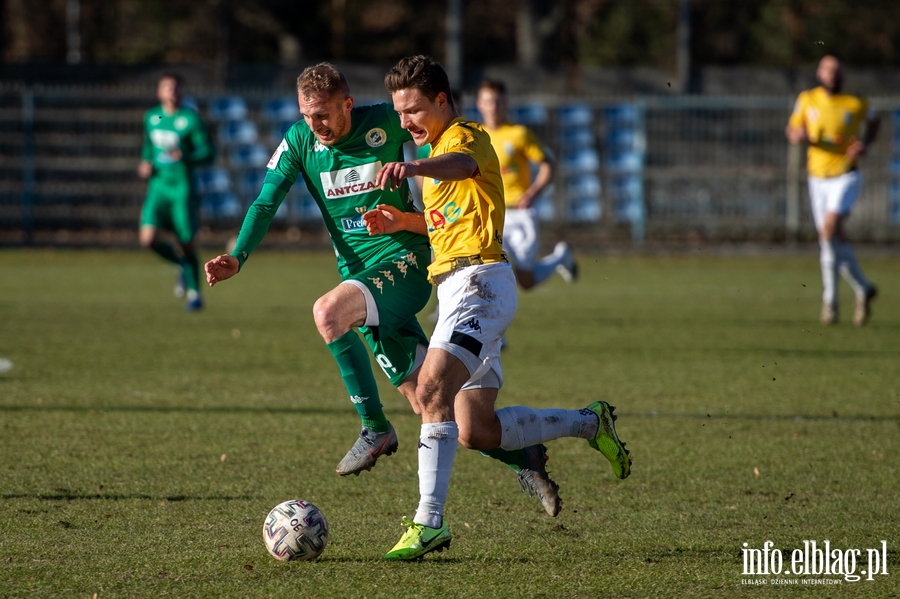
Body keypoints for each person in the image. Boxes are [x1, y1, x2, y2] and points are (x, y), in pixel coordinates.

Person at [203, 64, 558, 511]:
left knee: (328, 313)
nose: (316, 125)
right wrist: (239, 255)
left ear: (347, 104)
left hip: (403, 264)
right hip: (359, 280)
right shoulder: (299, 140)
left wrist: (443, 163)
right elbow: (265, 200)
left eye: (324, 115)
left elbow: (438, 129)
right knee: (433, 406)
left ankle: (374, 428)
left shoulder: (387, 123)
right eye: (308, 115)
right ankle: (522, 457)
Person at [366, 55, 632, 561]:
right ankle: (588, 423)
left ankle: (429, 524)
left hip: (480, 284)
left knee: (429, 388)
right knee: (474, 430)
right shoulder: (434, 152)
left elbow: (462, 166)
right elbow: (444, 223)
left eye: (415, 110)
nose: (406, 123)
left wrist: (414, 165)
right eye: (400, 114)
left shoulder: (466, 138)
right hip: (455, 289)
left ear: (442, 101)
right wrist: (402, 221)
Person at [786, 53, 879, 326]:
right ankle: (863, 288)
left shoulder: (855, 102)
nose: (832, 75)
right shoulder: (807, 100)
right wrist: (797, 135)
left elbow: (874, 123)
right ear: (819, 73)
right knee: (832, 239)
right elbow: (792, 130)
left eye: (836, 70)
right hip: (817, 178)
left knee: (828, 231)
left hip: (846, 175)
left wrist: (865, 144)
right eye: (827, 70)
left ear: (843, 74)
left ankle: (830, 302)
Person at [475, 78, 577, 289]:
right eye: (488, 101)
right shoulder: (476, 136)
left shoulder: (519, 134)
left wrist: (532, 193)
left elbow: (547, 164)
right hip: (492, 215)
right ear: (479, 104)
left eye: (498, 101)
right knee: (482, 268)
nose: (493, 107)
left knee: (526, 282)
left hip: (519, 214)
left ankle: (560, 257)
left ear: (505, 103)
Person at [138, 74, 215, 311]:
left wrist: (187, 156)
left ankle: (195, 294)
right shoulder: (153, 117)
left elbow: (209, 152)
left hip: (182, 189)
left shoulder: (190, 119)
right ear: (159, 91)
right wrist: (145, 162)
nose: (171, 91)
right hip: (158, 188)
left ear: (181, 90)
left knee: (186, 241)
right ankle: (180, 265)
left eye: (175, 86)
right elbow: (149, 146)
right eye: (166, 87)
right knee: (147, 239)